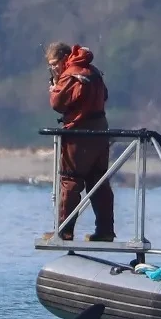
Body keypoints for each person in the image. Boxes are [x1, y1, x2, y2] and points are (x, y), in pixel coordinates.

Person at [45, 42, 114, 242]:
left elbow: (57, 104)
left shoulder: (71, 74)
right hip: (101, 132)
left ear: (65, 57)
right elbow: (105, 95)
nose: (54, 68)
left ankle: (64, 231)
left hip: (79, 134)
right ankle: (105, 231)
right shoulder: (93, 71)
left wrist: (55, 86)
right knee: (98, 181)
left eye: (55, 63)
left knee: (70, 180)